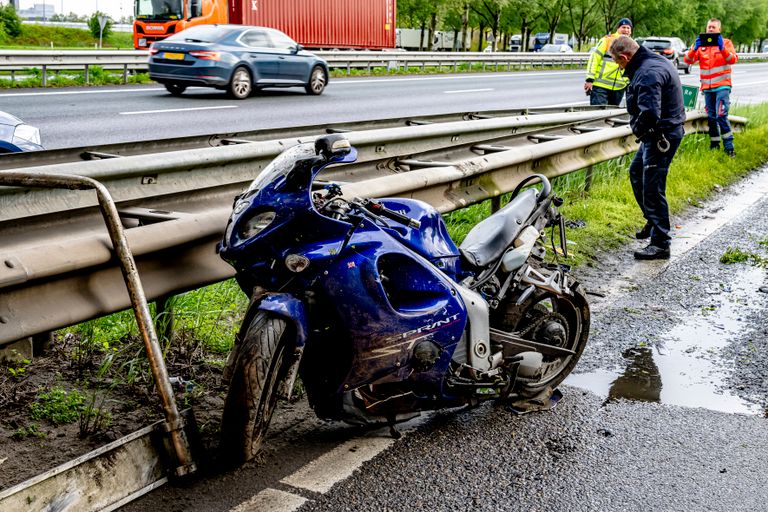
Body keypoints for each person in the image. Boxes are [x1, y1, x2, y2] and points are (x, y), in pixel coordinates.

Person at [609, 36, 686, 260]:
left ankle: (661, 243)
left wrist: (638, 130)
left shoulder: (647, 73)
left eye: (617, 62)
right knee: (637, 173)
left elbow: (650, 113)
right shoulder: (653, 61)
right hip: (659, 134)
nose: (617, 66)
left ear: (625, 57)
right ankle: (653, 222)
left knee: (653, 188)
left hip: (661, 136)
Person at [683, 18, 739, 157]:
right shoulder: (701, 44)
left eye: (714, 27)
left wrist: (722, 48)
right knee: (712, 118)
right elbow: (687, 61)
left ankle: (729, 148)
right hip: (707, 89)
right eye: (709, 27)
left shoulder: (726, 43)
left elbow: (733, 59)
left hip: (722, 86)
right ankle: (714, 145)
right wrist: (694, 49)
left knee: (721, 115)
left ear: (719, 29)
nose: (711, 29)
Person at [584, 18, 632, 106]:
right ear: (618, 29)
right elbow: (594, 59)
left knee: (611, 116)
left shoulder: (632, 45)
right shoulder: (607, 40)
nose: (626, 30)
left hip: (619, 87)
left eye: (628, 28)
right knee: (599, 115)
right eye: (623, 27)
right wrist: (589, 79)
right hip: (600, 86)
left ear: (631, 31)